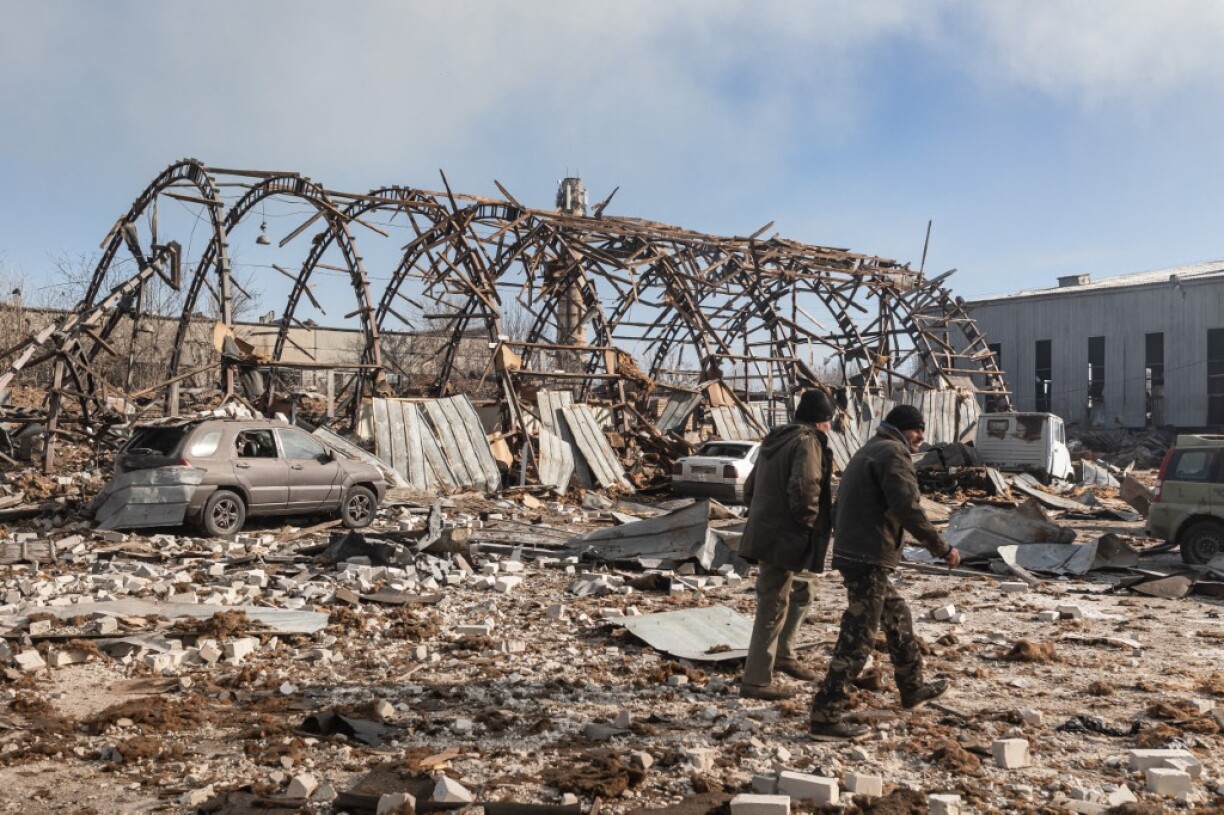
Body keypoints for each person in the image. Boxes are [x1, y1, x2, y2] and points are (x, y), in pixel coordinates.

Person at [808, 404, 961, 740]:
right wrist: (942, 547)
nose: (921, 436)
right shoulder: (892, 454)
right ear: (901, 428)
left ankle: (913, 687)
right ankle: (825, 715)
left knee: (897, 615)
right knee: (858, 637)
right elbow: (908, 507)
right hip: (868, 555)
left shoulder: (870, 450)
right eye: (915, 429)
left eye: (922, 429)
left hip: (859, 551)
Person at [738, 389, 836, 701]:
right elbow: (805, 488)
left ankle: (783, 655)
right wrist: (807, 525)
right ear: (822, 422)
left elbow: (749, 490)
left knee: (804, 588)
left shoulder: (774, 440)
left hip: (772, 532)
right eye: (829, 422)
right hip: (786, 536)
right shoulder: (806, 442)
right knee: (773, 603)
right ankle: (756, 680)